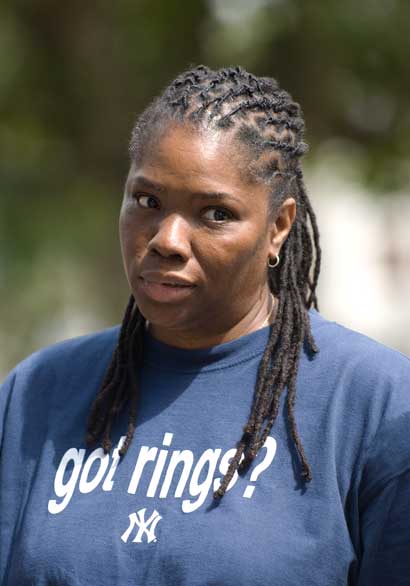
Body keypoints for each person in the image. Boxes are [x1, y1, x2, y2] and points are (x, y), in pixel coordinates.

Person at [1, 65, 409, 586]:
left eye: (214, 213)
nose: (167, 239)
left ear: (277, 227)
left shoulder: (376, 406)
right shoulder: (39, 393)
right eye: (147, 202)